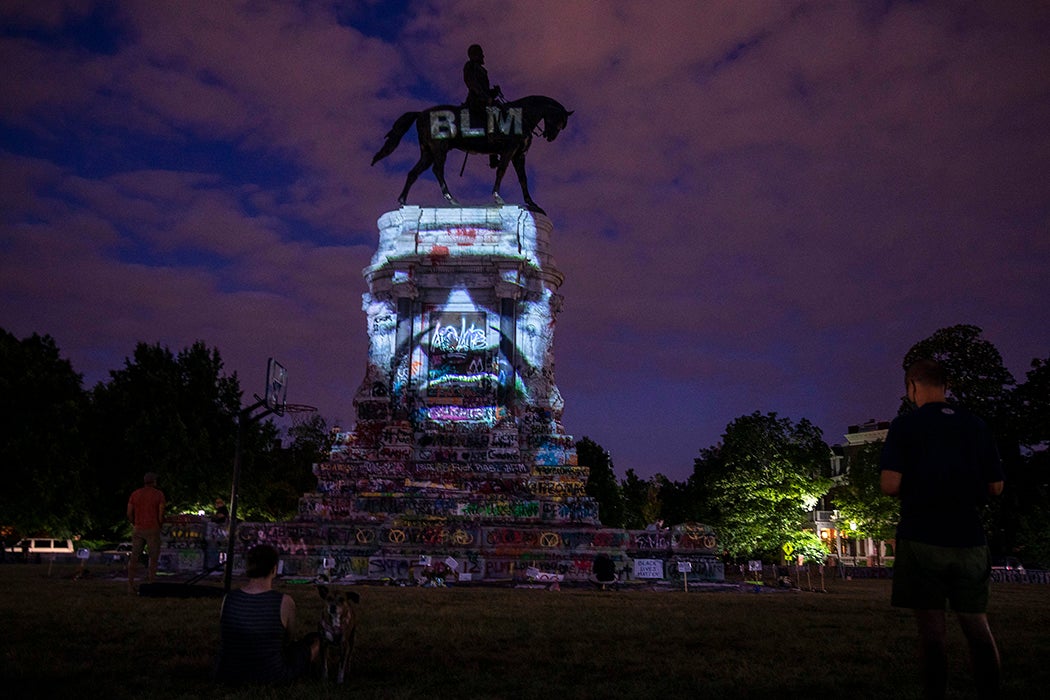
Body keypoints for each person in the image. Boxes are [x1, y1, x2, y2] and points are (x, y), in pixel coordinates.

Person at [880, 358, 1004, 699]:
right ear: (945, 386)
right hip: (968, 536)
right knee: (978, 627)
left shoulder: (905, 426)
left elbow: (890, 484)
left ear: (912, 387)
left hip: (922, 535)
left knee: (932, 634)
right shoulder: (976, 426)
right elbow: (996, 486)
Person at [215, 544, 319, 685]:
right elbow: (288, 639)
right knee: (315, 642)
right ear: (274, 569)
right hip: (271, 674)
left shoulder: (229, 598)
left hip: (228, 673)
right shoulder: (284, 602)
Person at [463, 43, 502, 167]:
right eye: (481, 53)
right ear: (475, 55)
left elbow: (484, 89)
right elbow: (472, 84)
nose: (483, 56)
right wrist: (486, 98)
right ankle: (493, 153)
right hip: (475, 101)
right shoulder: (470, 66)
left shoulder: (483, 70)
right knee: (492, 115)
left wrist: (493, 93)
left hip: (484, 100)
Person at [127, 472, 166, 591]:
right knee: (153, 557)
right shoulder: (159, 495)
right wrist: (160, 524)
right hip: (152, 528)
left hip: (138, 528)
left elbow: (129, 513)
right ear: (154, 482)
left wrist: (134, 523)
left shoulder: (135, 494)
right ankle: (151, 582)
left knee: (134, 557)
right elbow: (160, 514)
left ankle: (130, 584)